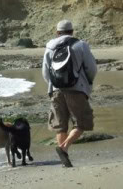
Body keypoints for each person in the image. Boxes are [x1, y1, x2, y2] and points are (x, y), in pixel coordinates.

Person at [42, 20, 97, 167]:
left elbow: (45, 72)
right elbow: (91, 68)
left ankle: (64, 159)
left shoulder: (50, 46)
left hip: (56, 90)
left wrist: (54, 85)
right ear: (72, 31)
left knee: (60, 125)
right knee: (82, 122)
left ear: (57, 32)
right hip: (77, 89)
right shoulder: (81, 45)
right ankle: (63, 148)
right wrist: (88, 84)